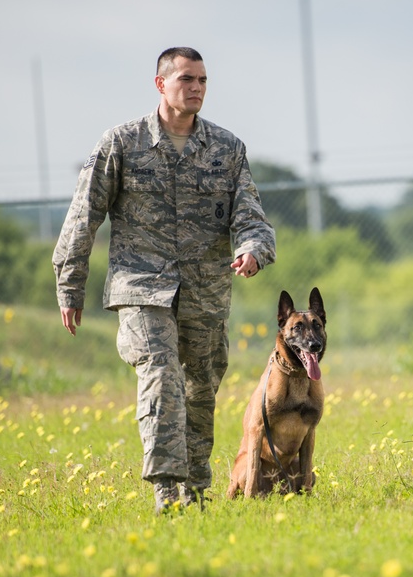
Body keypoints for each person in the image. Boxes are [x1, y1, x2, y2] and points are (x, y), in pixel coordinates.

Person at [53, 47, 276, 515]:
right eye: (187, 79)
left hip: (206, 291)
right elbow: (82, 217)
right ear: (161, 84)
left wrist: (252, 249)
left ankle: (194, 491)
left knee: (199, 388)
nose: (196, 88)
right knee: (159, 376)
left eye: (203, 81)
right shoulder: (121, 143)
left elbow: (251, 215)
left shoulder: (227, 148)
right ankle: (165, 492)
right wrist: (70, 284)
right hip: (141, 287)